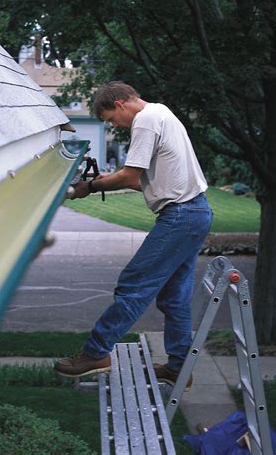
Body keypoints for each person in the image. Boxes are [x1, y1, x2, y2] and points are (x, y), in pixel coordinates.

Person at [54, 82, 213, 389]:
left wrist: (89, 187)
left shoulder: (145, 121)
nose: (114, 125)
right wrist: (107, 180)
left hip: (180, 216)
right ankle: (179, 367)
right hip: (196, 212)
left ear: (120, 103)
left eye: (111, 118)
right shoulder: (162, 113)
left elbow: (129, 175)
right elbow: (146, 182)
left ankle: (95, 353)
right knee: (174, 298)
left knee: (134, 284)